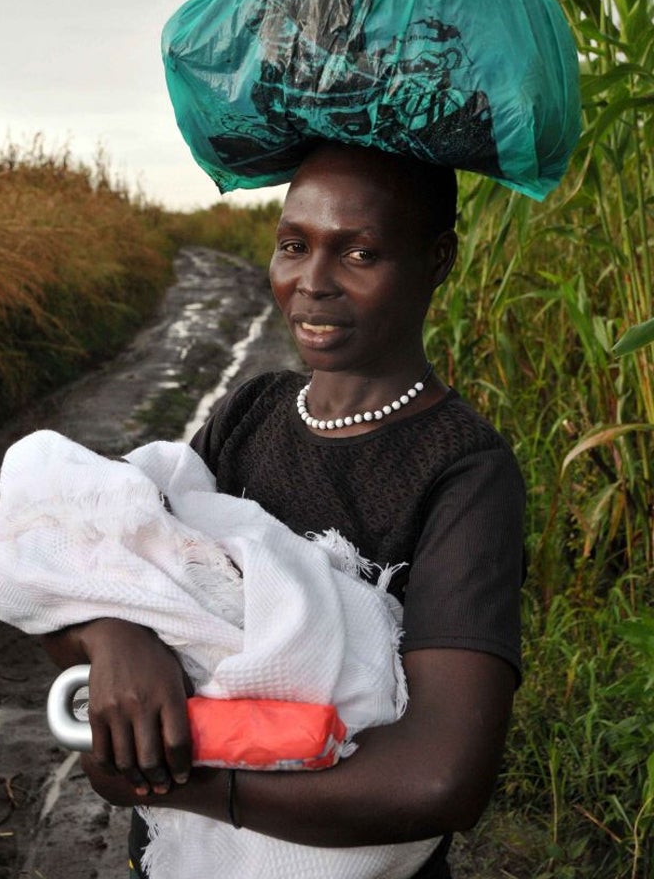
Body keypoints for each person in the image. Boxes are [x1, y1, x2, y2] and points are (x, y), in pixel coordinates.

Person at [42, 141, 525, 878]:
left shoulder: (463, 471)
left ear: (437, 261)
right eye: (293, 245)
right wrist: (115, 636)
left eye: (359, 254)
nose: (312, 283)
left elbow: (439, 776)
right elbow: (102, 562)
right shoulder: (249, 413)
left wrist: (193, 783)